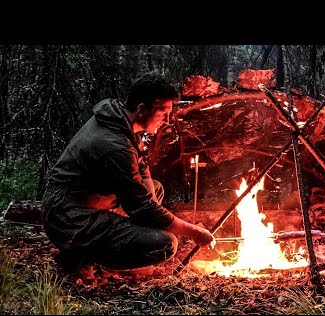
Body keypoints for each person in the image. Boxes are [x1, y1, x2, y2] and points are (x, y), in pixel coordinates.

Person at [41, 73, 215, 274]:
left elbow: (142, 170)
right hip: (69, 218)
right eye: (163, 112)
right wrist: (195, 233)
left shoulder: (119, 120)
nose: (167, 120)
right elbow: (142, 207)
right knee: (165, 244)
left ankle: (95, 246)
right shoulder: (114, 145)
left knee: (155, 190)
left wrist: (151, 216)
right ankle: (82, 257)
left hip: (85, 203)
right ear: (141, 109)